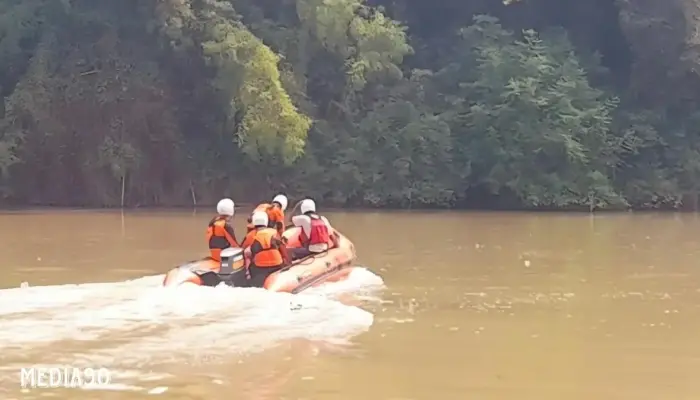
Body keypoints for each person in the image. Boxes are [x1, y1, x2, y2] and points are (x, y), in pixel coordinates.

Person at [244, 211, 290, 287]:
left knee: (246, 253)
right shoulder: (274, 232)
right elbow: (283, 247)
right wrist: (288, 262)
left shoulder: (250, 235)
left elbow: (244, 249)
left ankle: (247, 274)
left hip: (260, 267)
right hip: (277, 265)